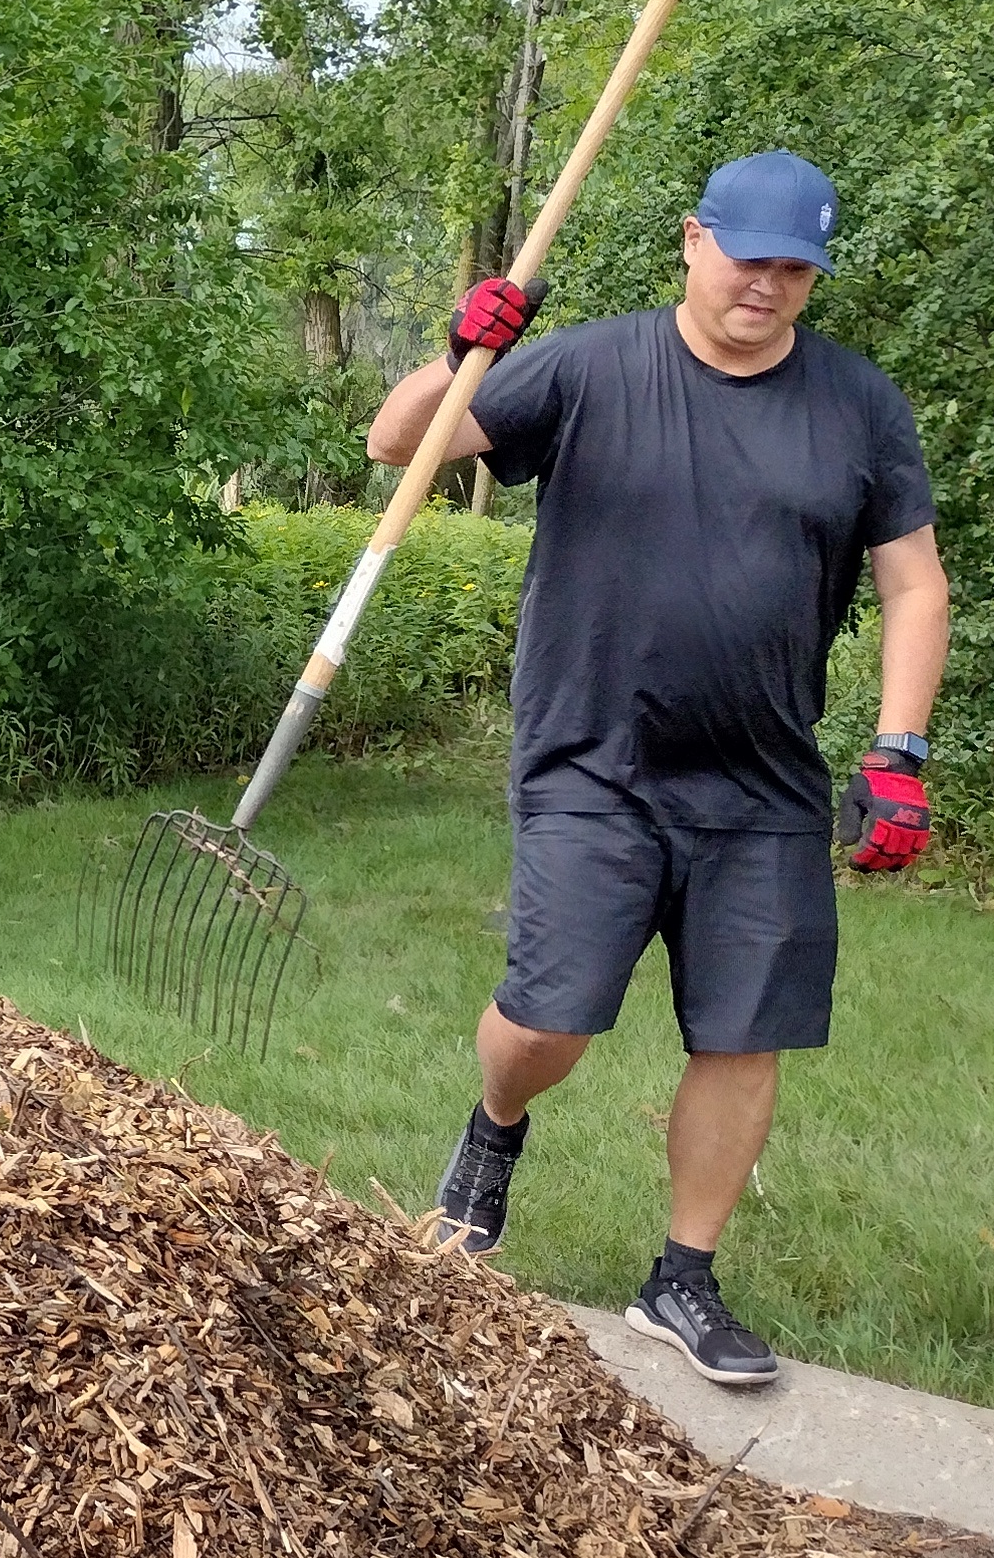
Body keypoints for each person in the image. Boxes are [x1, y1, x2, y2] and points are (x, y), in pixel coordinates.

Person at [365, 151, 947, 1388]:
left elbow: (912, 581)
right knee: (548, 1017)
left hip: (763, 777)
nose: (770, 287)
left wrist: (899, 747)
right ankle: (495, 1126)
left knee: (744, 1034)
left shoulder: (856, 404)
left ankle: (681, 1277)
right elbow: (394, 446)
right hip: (594, 760)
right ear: (693, 240)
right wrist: (457, 346)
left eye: (797, 269)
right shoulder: (586, 367)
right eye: (750, 259)